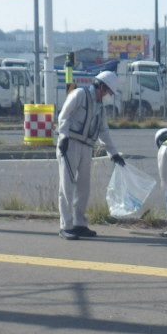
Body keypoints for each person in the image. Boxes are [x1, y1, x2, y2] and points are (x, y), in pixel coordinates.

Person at [56, 70, 125, 240]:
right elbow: (64, 115)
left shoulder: (100, 106)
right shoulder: (80, 94)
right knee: (67, 186)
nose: (109, 95)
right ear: (101, 86)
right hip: (70, 143)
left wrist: (113, 153)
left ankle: (80, 223)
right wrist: (63, 136)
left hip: (87, 146)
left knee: (83, 187)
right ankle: (66, 225)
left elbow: (103, 131)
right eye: (108, 91)